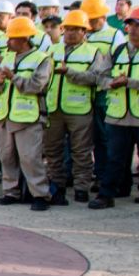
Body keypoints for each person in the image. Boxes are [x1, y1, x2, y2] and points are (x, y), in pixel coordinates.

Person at [90, 6, 139, 211]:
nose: (133, 30)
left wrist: (129, 82)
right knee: (114, 157)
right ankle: (107, 194)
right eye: (131, 25)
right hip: (118, 114)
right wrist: (111, 83)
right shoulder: (118, 50)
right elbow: (100, 76)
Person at [42, 11, 108, 205]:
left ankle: (81, 188)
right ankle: (57, 185)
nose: (70, 33)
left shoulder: (93, 52)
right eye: (67, 29)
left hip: (80, 109)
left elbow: (97, 78)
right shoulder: (52, 50)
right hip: (54, 108)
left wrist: (70, 72)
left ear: (84, 32)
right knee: (53, 150)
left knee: (81, 152)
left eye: (75, 30)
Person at [0, 16, 54, 210]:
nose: (8, 42)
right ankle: (11, 191)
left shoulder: (42, 59)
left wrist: (13, 77)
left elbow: (36, 85)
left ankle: (40, 195)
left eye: (12, 38)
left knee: (30, 158)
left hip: (29, 117)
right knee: (6, 156)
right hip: (4, 116)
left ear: (25, 39)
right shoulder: (6, 58)